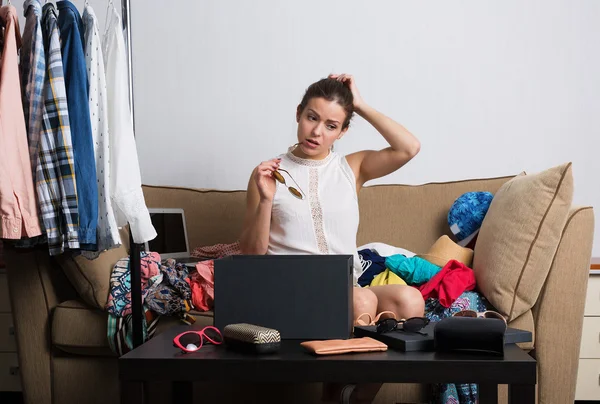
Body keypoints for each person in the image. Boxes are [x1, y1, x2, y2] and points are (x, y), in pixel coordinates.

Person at [240, 73, 424, 323]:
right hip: (289, 289)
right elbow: (251, 254)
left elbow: (408, 148)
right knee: (362, 300)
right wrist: (265, 200)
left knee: (410, 299)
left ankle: (356, 347)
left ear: (343, 131)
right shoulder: (268, 173)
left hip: (346, 288)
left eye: (331, 125)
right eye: (312, 117)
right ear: (298, 114)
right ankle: (349, 355)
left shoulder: (351, 168)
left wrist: (359, 105)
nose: (316, 132)